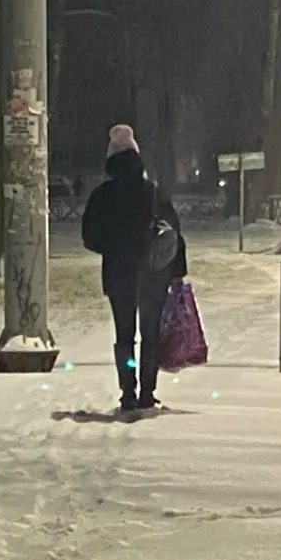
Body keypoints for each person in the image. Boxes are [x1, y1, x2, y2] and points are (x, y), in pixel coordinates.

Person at [82, 125, 187, 412]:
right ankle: (148, 392)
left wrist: (114, 247)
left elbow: (89, 237)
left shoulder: (102, 195)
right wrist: (178, 272)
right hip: (154, 273)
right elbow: (174, 233)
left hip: (119, 275)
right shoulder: (152, 193)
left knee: (124, 337)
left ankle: (128, 391)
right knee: (150, 335)